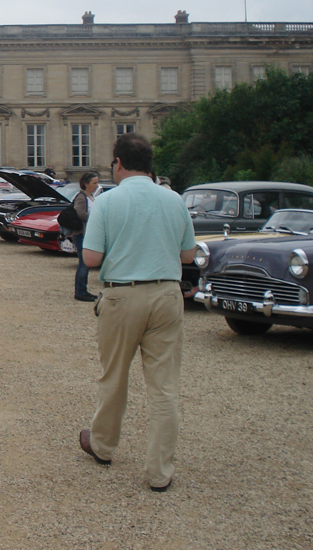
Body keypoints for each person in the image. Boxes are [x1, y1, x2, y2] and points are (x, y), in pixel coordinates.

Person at [78, 133, 195, 493]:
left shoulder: (109, 201)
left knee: (114, 377)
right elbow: (188, 256)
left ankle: (103, 446)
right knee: (164, 388)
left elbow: (91, 259)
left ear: (118, 163)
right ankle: (160, 472)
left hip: (123, 296)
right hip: (166, 294)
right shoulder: (174, 200)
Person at [71, 171, 100, 302]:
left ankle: (83, 290)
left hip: (88, 233)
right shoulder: (81, 197)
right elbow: (80, 213)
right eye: (94, 183)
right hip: (81, 234)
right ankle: (80, 291)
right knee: (84, 263)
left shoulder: (91, 196)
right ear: (86, 184)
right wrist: (97, 218)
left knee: (85, 263)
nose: (96, 185)